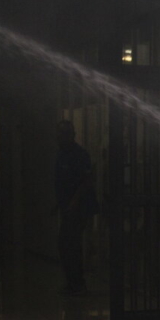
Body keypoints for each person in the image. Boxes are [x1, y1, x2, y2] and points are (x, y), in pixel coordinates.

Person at [53, 119, 97, 295]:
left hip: (78, 208)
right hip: (68, 207)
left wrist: (73, 203)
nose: (62, 136)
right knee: (66, 245)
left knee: (70, 245)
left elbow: (86, 182)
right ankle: (73, 283)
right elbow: (63, 182)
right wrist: (58, 204)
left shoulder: (79, 154)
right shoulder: (62, 154)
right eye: (61, 133)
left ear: (72, 135)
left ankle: (77, 284)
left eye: (66, 133)